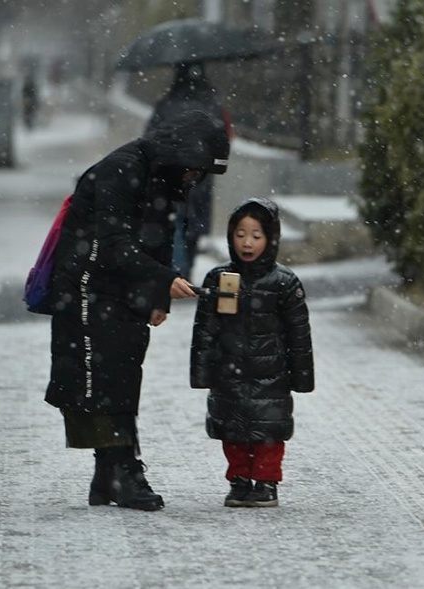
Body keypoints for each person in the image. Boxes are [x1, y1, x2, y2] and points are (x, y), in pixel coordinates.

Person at [44, 109, 230, 511]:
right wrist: (161, 279)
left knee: (123, 375)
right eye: (195, 171)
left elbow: (159, 235)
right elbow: (114, 242)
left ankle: (111, 475)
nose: (193, 180)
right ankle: (122, 472)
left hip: (121, 290)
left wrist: (156, 297)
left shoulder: (163, 174)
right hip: (88, 287)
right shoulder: (122, 169)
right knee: (105, 380)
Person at [190, 197, 315, 508]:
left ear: (270, 239)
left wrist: (301, 375)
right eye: (240, 234)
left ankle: (266, 481)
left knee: (268, 433)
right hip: (228, 372)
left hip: (271, 373)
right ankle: (240, 479)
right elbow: (204, 331)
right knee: (232, 431)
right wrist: (201, 371)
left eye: (256, 236)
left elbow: (299, 334)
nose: (247, 243)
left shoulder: (284, 283)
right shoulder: (219, 279)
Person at [146, 62, 233, 281]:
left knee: (175, 221)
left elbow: (150, 137)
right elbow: (224, 138)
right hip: (201, 174)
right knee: (194, 224)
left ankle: (178, 270)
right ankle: (186, 268)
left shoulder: (166, 104)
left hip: (171, 174)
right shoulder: (212, 104)